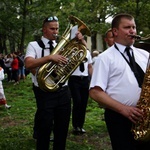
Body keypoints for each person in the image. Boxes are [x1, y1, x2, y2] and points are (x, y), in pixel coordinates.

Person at [24, 15, 87, 150]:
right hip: (44, 92)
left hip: (63, 91)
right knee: (44, 127)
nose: (56, 32)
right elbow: (28, 63)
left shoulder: (64, 46)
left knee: (62, 128)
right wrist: (50, 58)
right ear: (44, 30)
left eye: (57, 28)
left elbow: (81, 57)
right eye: (52, 29)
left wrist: (81, 42)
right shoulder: (34, 45)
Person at [89, 13, 150, 150]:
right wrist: (124, 110)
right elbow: (95, 92)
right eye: (127, 27)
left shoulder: (145, 55)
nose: (132, 31)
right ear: (115, 31)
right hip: (120, 118)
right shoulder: (104, 58)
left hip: (145, 118)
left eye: (134, 27)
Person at [68, 49, 93, 135]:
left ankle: (80, 125)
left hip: (85, 79)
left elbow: (89, 66)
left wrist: (93, 78)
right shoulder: (70, 51)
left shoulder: (87, 52)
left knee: (84, 102)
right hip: (74, 79)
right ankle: (75, 126)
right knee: (77, 101)